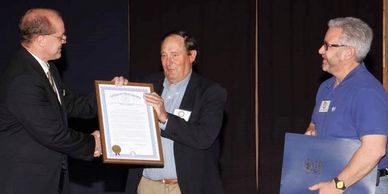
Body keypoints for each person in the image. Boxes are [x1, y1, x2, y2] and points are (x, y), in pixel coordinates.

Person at [0, 8, 127, 194]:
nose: (65, 41)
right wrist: (94, 144)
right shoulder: (23, 79)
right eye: (60, 37)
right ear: (41, 39)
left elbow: (70, 103)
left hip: (48, 179)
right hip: (26, 182)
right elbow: (53, 134)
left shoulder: (47, 69)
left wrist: (110, 96)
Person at [125, 31, 227, 194]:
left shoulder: (211, 92)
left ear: (192, 55)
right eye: (163, 55)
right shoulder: (147, 85)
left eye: (174, 55)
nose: (168, 62)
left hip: (185, 188)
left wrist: (165, 118)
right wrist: (120, 90)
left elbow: (204, 137)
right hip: (146, 186)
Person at [305, 17, 388, 194]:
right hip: (334, 180)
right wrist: (312, 130)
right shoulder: (325, 87)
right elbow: (314, 123)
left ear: (348, 53)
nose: (320, 50)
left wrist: (337, 186)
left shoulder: (367, 91)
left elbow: (374, 150)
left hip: (366, 185)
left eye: (327, 45)